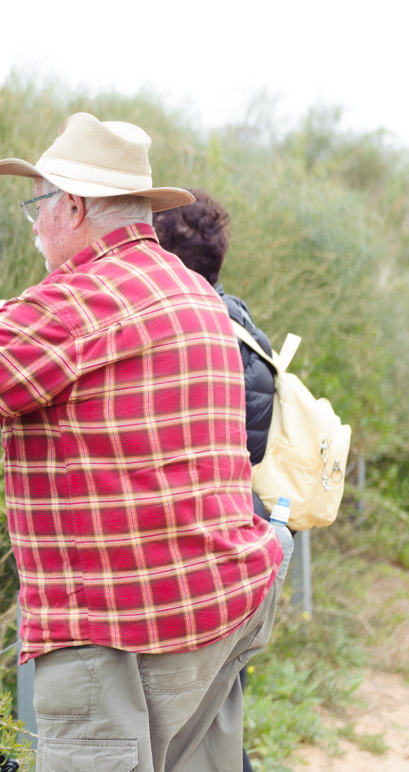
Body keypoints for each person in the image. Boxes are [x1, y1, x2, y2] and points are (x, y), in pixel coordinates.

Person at [0, 113, 284, 772]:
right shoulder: (190, 292)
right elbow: (97, 384)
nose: (33, 223)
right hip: (217, 607)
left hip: (118, 631)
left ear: (76, 207)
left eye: (40, 204)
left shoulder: (71, 304)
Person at [155, 190, 278, 772]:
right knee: (218, 719)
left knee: (187, 732)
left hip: (195, 553)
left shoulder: (186, 330)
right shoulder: (247, 328)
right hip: (244, 543)